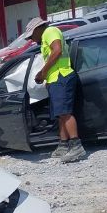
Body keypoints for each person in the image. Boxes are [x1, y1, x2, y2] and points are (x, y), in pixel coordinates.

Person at [23, 17, 86, 163]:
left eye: (32, 35)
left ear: (39, 28)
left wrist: (43, 73)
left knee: (65, 113)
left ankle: (76, 146)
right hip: (55, 78)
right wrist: (47, 78)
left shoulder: (49, 31)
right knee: (60, 114)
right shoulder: (46, 35)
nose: (32, 39)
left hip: (61, 76)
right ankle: (63, 145)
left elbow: (57, 51)